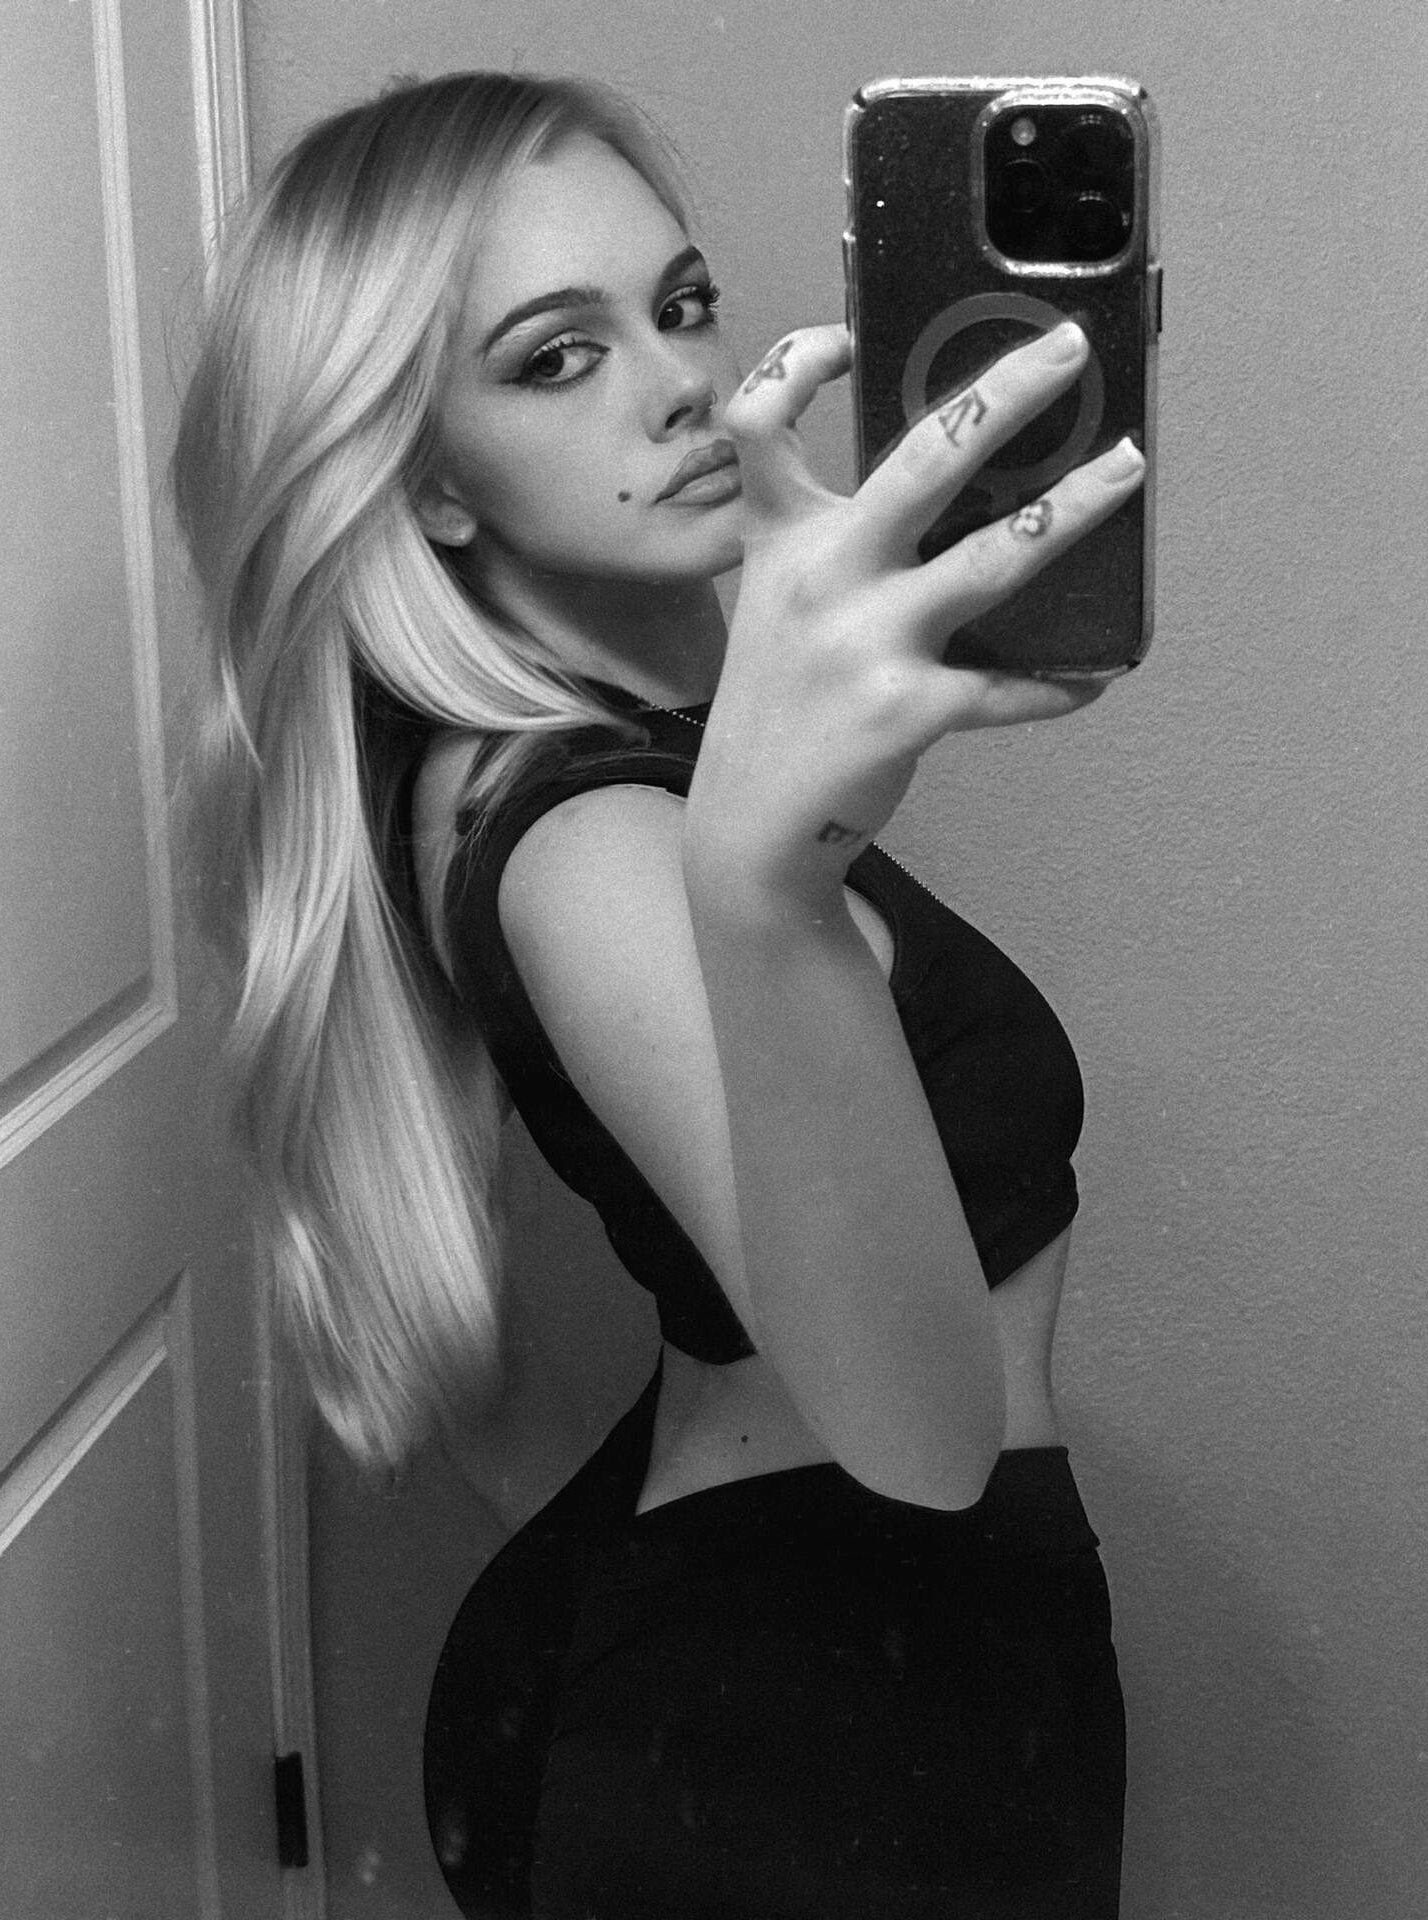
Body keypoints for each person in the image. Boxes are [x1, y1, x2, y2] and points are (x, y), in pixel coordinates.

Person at [173, 70, 1142, 1918]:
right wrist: (767, 885)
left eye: (679, 306)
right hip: (812, 1741)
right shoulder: (590, 843)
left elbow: (526, 1380)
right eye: (557, 357)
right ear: (425, 479)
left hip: (763, 1655)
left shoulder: (529, 771)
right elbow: (927, 1446)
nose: (683, 382)